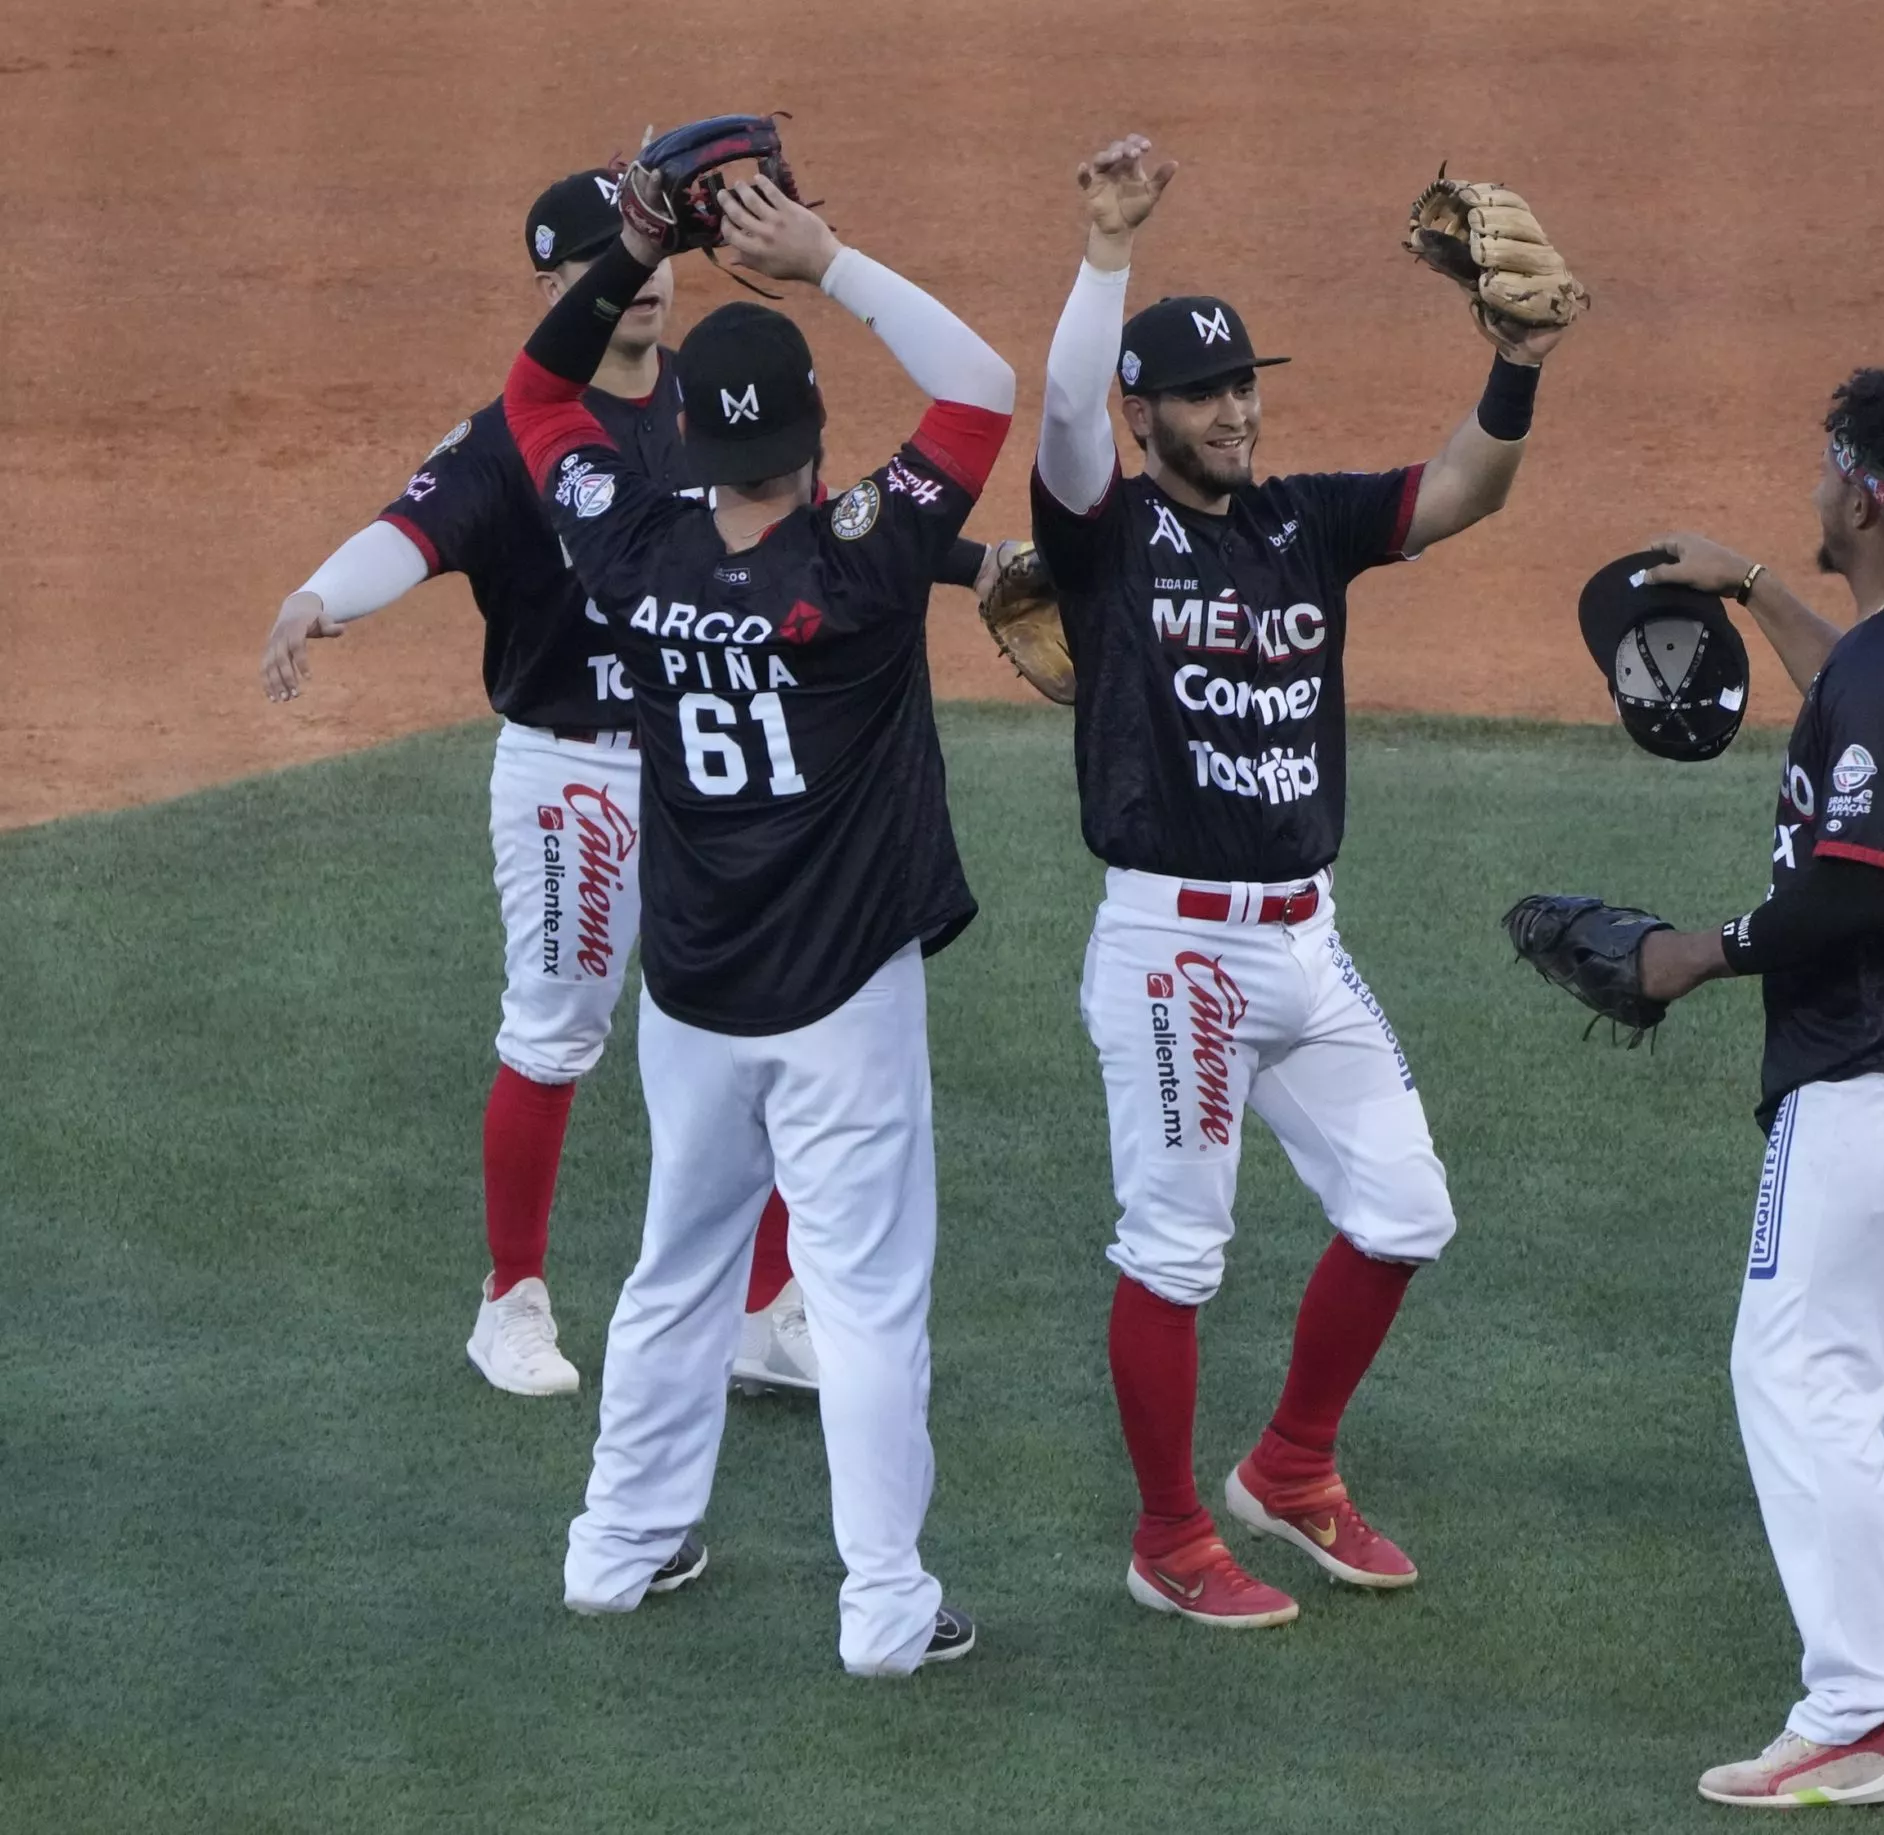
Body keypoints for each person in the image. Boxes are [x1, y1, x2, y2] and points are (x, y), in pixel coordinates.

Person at [260, 168, 1015, 1399]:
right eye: (613, 258)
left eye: (653, 252)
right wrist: (317, 596)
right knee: (557, 1028)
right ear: (558, 286)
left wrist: (973, 562)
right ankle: (510, 1297)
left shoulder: (712, 401)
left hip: (705, 771)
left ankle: (765, 1310)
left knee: (771, 1007)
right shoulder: (517, 434)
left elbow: (811, 542)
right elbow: (414, 529)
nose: (649, 275)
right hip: (572, 768)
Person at [1030, 134, 1573, 1628]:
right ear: (1150, 417)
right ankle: (1166, 1534)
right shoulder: (1108, 535)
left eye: (1245, 384)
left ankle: (1294, 1465)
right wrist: (1106, 251)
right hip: (1173, 952)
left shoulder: (1297, 520)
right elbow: (1066, 407)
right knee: (1177, 1247)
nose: (1236, 409)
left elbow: (1466, 490)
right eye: (1205, 394)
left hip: (1303, 940)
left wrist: (1516, 364)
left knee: (1406, 1208)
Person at [500, 162, 1010, 1672]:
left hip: (695, 994)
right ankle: (884, 1606)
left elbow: (536, 401)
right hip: (845, 999)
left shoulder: (635, 548)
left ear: (690, 440)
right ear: (810, 435)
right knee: (863, 1300)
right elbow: (979, 386)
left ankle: (614, 1547)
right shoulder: (864, 557)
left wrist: (631, 253)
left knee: (675, 1268)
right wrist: (827, 258)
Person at [1633, 368, 1884, 1808]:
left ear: (1869, 496)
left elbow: (1852, 887)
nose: (1812, 488)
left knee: (1797, 1370)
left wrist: (1697, 953)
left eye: (1825, 469)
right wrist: (1748, 583)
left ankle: (1865, 1712)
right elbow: (1874, 711)